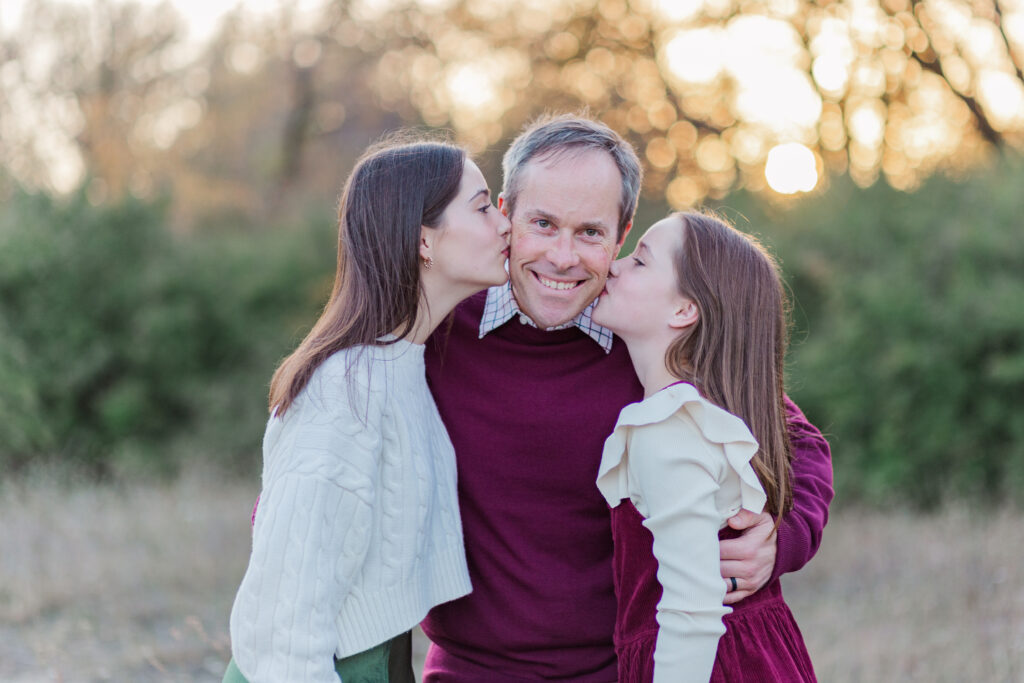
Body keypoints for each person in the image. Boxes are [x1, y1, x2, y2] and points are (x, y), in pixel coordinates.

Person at [422, 114, 833, 680]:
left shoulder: (649, 339)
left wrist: (779, 541)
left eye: (590, 232)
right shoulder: (439, 328)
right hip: (472, 668)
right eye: (542, 223)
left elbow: (795, 437)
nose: (563, 257)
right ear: (504, 215)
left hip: (624, 667)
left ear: (622, 234)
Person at [223, 137, 511, 683]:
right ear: (424, 238)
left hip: (379, 660)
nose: (504, 225)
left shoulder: (406, 366)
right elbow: (281, 631)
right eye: (481, 206)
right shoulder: (342, 392)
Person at [592, 211, 816, 682]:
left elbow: (691, 614)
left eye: (639, 262)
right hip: (757, 653)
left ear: (683, 310)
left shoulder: (668, 427)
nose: (614, 263)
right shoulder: (716, 409)